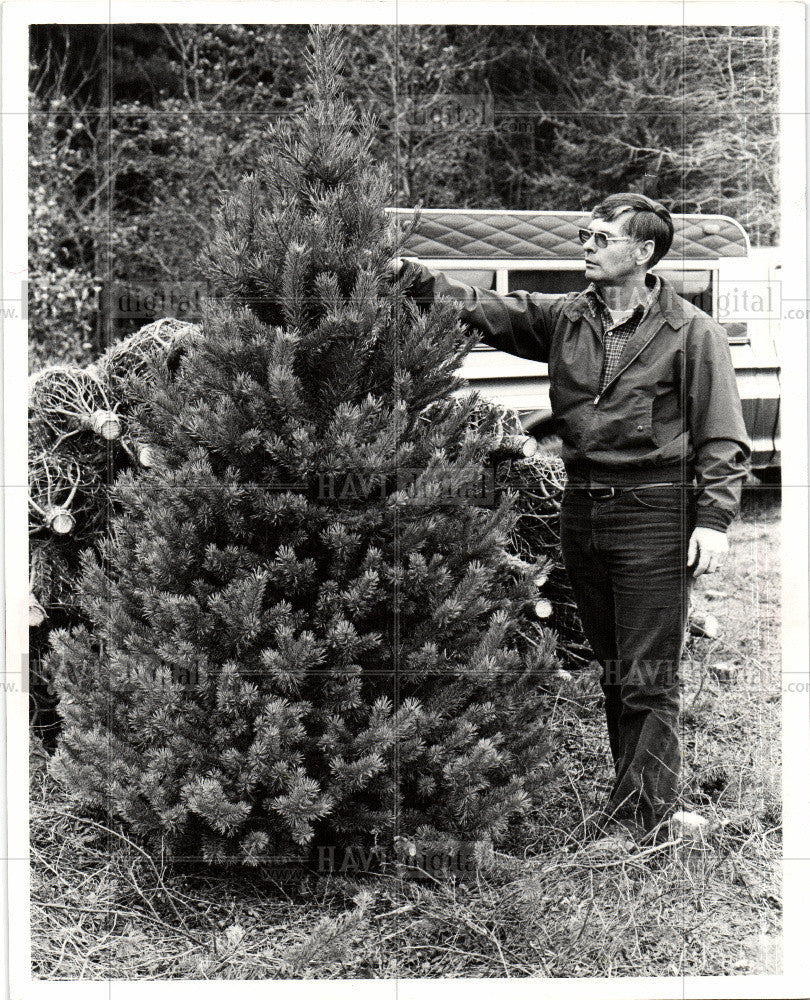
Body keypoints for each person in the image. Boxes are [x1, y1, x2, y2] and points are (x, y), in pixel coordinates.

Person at [393, 193, 751, 842]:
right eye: (584, 233)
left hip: (655, 515)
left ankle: (637, 825)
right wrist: (411, 279)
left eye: (600, 236)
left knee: (646, 678)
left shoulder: (692, 333)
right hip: (582, 512)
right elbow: (484, 310)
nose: (585, 244)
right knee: (617, 671)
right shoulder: (567, 317)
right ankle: (652, 803)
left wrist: (715, 521)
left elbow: (723, 438)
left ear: (642, 252)